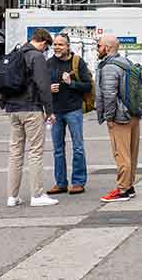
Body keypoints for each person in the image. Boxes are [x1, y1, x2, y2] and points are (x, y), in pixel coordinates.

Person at [4, 28, 57, 207]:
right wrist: (49, 111)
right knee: (35, 152)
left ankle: (12, 197)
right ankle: (37, 195)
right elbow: (43, 86)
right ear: (43, 42)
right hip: (31, 109)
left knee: (15, 153)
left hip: (13, 109)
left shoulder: (16, 54)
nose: (45, 51)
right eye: (46, 48)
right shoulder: (37, 57)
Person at [95, 34, 140, 203]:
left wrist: (109, 117)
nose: (97, 49)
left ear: (107, 48)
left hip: (120, 117)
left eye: (99, 46)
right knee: (131, 153)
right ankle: (129, 187)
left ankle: (122, 190)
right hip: (134, 114)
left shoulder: (109, 67)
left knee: (121, 154)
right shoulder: (126, 62)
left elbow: (109, 95)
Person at [46, 33, 91, 196]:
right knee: (58, 149)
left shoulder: (77, 62)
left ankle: (78, 182)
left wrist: (71, 83)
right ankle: (61, 183)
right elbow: (41, 85)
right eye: (55, 45)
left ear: (68, 46)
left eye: (60, 45)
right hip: (55, 112)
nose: (57, 48)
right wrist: (49, 89)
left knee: (78, 147)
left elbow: (87, 86)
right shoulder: (49, 63)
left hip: (73, 110)